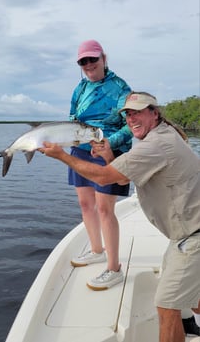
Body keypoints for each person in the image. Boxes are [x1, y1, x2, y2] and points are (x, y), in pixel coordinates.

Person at [39, 91, 200, 342]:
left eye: (138, 112)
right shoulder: (159, 137)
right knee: (192, 297)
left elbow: (104, 178)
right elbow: (124, 176)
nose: (131, 118)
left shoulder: (157, 144)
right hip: (185, 235)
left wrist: (62, 156)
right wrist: (108, 157)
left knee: (167, 306)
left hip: (193, 238)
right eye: (127, 114)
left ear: (155, 113)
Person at [68, 39, 133, 289]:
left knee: (105, 209)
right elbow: (73, 117)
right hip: (80, 150)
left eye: (92, 59)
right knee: (86, 204)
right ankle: (97, 250)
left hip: (109, 152)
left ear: (104, 58)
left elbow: (130, 124)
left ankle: (114, 268)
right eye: (83, 61)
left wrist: (109, 142)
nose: (88, 64)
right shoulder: (79, 89)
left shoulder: (120, 88)